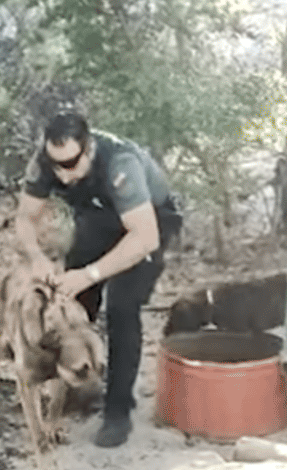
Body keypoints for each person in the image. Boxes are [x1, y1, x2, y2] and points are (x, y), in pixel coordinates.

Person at [13, 85, 184, 448]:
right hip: (96, 218)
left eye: (71, 164)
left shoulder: (120, 165)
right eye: (56, 164)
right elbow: (25, 219)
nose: (62, 175)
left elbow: (144, 238)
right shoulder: (46, 162)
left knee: (122, 305)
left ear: (88, 149)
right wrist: (39, 258)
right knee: (72, 298)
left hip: (147, 222)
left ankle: (118, 410)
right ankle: (74, 377)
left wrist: (91, 273)